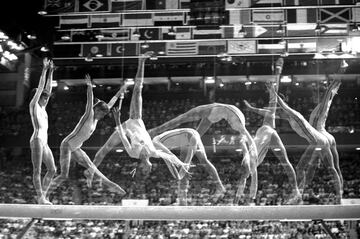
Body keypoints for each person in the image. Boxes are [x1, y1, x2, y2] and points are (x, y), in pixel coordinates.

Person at [148, 102, 259, 203]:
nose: (229, 124)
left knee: (181, 121)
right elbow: (249, 143)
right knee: (200, 157)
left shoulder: (236, 123)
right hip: (215, 114)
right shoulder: (238, 124)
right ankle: (212, 187)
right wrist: (248, 159)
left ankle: (183, 191)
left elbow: (249, 144)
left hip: (213, 113)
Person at [45, 74, 125, 200]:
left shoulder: (97, 117)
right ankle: (44, 194)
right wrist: (89, 86)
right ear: (97, 110)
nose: (102, 117)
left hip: (76, 147)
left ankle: (110, 184)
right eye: (102, 114)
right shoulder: (89, 115)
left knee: (92, 167)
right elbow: (89, 101)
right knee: (64, 175)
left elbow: (110, 103)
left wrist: (121, 90)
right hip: (67, 145)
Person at [242, 58, 301, 204]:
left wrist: (278, 71)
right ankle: (296, 191)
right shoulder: (274, 111)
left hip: (266, 132)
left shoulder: (273, 108)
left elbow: (274, 95)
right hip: (270, 133)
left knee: (255, 157)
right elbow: (269, 106)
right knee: (285, 162)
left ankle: (248, 188)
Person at [270, 86, 342, 203]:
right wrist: (254, 109)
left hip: (319, 140)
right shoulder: (289, 117)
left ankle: (300, 196)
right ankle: (338, 196)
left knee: (318, 167)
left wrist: (273, 93)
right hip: (320, 139)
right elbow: (273, 113)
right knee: (329, 168)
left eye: (279, 110)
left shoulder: (295, 114)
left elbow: (283, 106)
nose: (279, 112)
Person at [152, 128, 225, 205]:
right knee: (202, 161)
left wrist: (183, 169)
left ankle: (183, 199)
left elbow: (176, 157)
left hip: (188, 136)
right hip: (186, 137)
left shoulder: (155, 143)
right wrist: (180, 173)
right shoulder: (155, 148)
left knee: (194, 161)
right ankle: (183, 198)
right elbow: (170, 160)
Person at [300, 79, 343, 195]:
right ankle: (340, 195)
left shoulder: (323, 105)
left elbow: (329, 91)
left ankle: (300, 193)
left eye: (316, 95)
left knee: (308, 166)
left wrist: (340, 72)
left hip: (320, 136)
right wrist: (337, 84)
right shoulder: (327, 103)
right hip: (327, 135)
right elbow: (331, 93)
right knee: (335, 168)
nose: (314, 97)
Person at [29, 58, 56, 204]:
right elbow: (41, 88)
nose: (46, 99)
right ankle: (40, 197)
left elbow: (48, 88)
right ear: (38, 97)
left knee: (52, 169)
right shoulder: (33, 105)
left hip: (44, 142)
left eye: (46, 98)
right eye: (43, 98)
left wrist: (51, 72)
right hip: (37, 139)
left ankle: (43, 196)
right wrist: (45, 70)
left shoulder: (43, 108)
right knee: (37, 170)